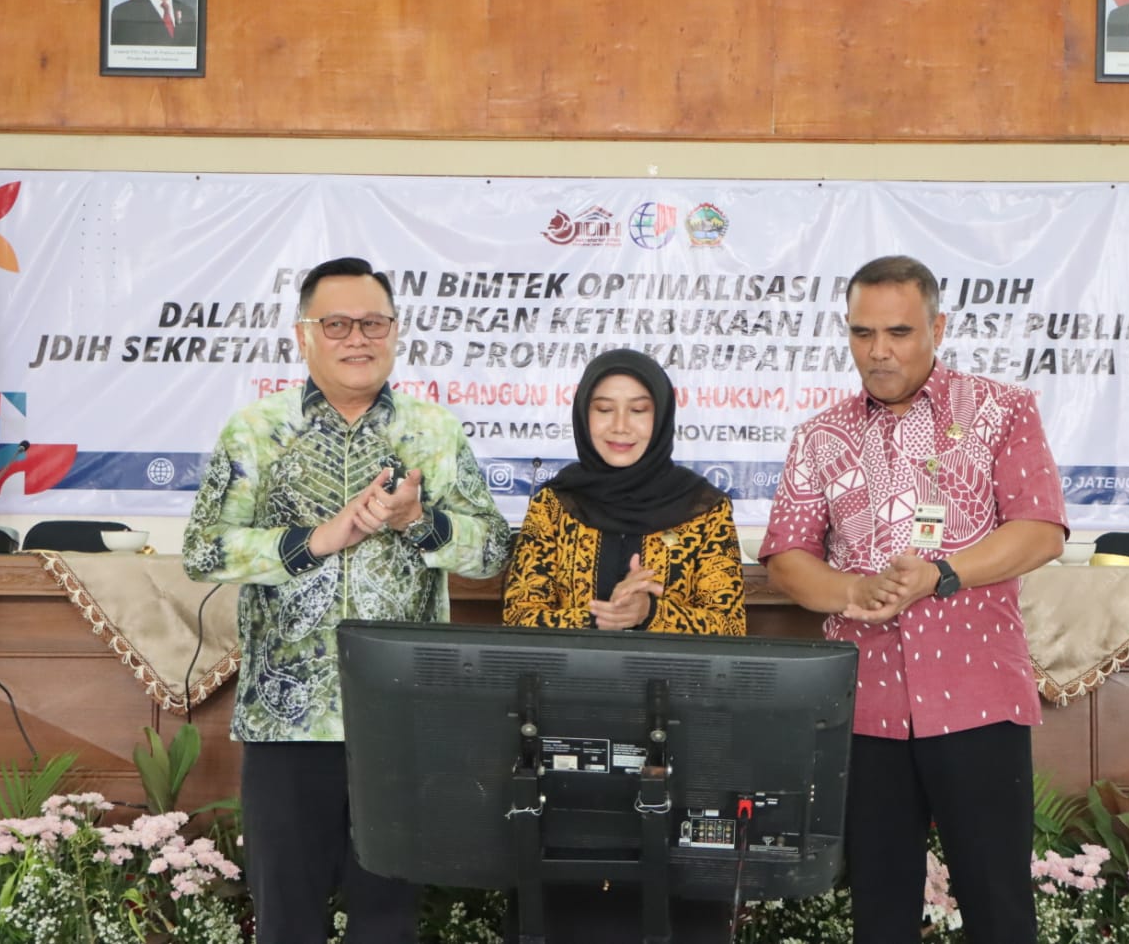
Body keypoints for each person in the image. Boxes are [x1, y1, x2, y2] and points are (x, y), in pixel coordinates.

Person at [183, 256, 510, 944]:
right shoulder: (255, 431)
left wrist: (419, 521)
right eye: (337, 324)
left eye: (373, 323)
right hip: (287, 723)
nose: (357, 338)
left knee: (388, 922)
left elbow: (491, 552)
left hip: (399, 719)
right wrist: (315, 540)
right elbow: (204, 550)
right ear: (303, 335)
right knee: (286, 921)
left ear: (396, 331)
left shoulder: (434, 432)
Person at [757, 255, 1067, 944]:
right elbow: (785, 556)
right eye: (862, 332)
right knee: (880, 912)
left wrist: (942, 574)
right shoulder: (821, 436)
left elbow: (1042, 530)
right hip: (867, 710)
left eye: (898, 332)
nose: (879, 350)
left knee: (999, 910)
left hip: (978, 698)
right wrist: (851, 590)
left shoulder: (1002, 411)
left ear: (937, 328)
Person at [502, 347, 745, 941]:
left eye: (638, 410)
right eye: (604, 408)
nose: (620, 425)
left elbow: (729, 628)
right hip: (563, 744)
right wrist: (598, 621)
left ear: (660, 418)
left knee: (675, 914)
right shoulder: (554, 505)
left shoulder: (704, 510)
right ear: (582, 415)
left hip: (679, 744)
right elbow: (518, 617)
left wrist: (649, 614)